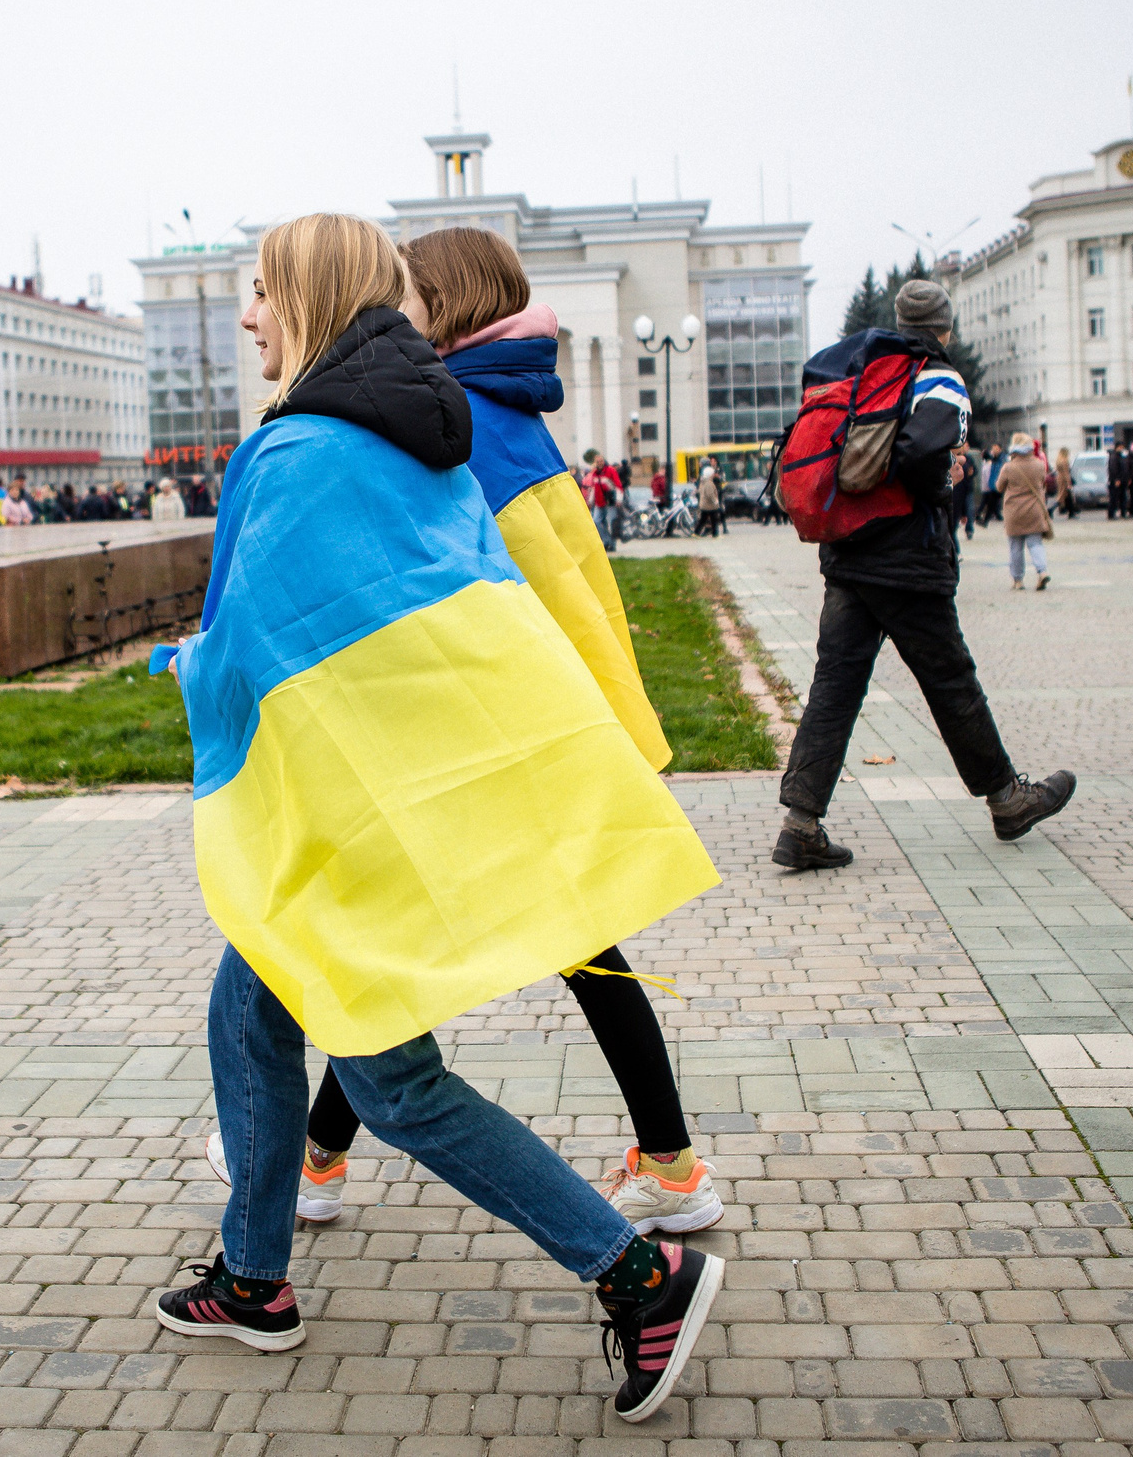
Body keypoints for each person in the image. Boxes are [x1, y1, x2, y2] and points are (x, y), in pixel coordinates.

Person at [157, 214, 724, 1421]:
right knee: (246, 1010)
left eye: (258, 293)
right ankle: (253, 1278)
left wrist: (190, 672)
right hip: (402, 792)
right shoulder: (419, 433)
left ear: (302, 296)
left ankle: (640, 1276)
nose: (248, 317)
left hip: (349, 816)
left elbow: (256, 645)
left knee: (394, 1084)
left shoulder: (297, 451)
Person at [256, 223, 718, 1240]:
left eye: (407, 293)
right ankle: (671, 1167)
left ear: (443, 303)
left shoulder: (454, 416)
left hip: (509, 730)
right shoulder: (511, 409)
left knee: (413, 939)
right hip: (556, 719)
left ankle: (316, 1160)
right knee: (554, 948)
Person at [771, 278, 1076, 871]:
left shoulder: (865, 366)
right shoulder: (937, 374)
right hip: (907, 559)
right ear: (945, 328)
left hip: (848, 553)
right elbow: (916, 453)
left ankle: (801, 823)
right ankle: (1008, 799)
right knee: (950, 679)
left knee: (834, 686)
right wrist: (945, 481)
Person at [1000, 433, 1051, 590]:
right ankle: (1042, 571)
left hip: (1014, 511)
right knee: (1035, 544)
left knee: (1015, 546)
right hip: (1034, 510)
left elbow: (999, 486)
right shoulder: (1039, 465)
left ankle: (1018, 580)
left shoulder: (1008, 467)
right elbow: (1042, 482)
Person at [582, 449, 624, 551]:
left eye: (601, 461)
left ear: (603, 461)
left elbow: (618, 485)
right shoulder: (595, 473)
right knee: (597, 521)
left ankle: (612, 545)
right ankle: (606, 540)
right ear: (595, 463)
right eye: (597, 462)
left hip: (610, 502)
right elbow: (593, 488)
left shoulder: (610, 471)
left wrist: (619, 499)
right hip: (599, 502)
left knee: (610, 523)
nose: (599, 463)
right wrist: (590, 502)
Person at [978, 442, 1005, 527]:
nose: (993, 450)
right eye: (993, 448)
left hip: (998, 484)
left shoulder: (1002, 458)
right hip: (993, 484)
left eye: (995, 448)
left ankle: (986, 520)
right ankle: (987, 520)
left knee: (992, 503)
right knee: (992, 504)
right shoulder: (994, 458)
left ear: (1000, 449)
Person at [695, 461, 723, 536]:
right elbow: (710, 494)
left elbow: (700, 491)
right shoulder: (709, 483)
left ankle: (697, 533)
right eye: (713, 473)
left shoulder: (703, 482)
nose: (714, 474)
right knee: (714, 520)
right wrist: (716, 501)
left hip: (705, 504)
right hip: (710, 505)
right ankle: (715, 534)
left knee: (703, 520)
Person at [1054, 446, 1076, 518]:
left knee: (1067, 496)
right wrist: (1069, 483)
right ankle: (1050, 509)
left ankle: (1071, 513)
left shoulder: (1059, 460)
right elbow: (1066, 473)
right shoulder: (1065, 461)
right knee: (1062, 496)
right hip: (1064, 480)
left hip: (1059, 478)